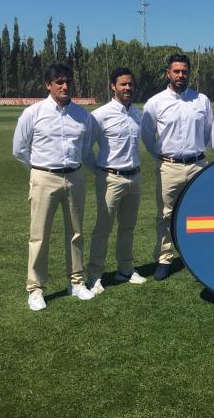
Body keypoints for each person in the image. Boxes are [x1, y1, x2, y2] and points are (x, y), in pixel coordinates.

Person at [12, 63, 96, 310]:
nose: (65, 85)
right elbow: (19, 149)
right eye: (59, 81)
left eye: (68, 80)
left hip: (75, 177)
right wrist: (39, 171)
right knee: (39, 235)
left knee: (76, 232)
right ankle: (35, 289)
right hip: (44, 177)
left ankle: (77, 282)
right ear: (48, 85)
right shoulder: (33, 113)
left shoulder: (83, 116)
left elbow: (86, 147)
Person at [141, 54, 213, 281]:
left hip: (198, 164)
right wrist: (164, 158)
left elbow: (207, 132)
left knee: (200, 212)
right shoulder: (155, 102)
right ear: (168, 74)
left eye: (184, 71)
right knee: (165, 214)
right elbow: (147, 137)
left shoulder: (202, 100)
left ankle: (198, 254)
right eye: (176, 71)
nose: (181, 75)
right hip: (169, 166)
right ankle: (164, 257)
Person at [86, 67, 146, 295]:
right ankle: (95, 275)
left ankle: (125, 268)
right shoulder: (100, 115)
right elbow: (85, 149)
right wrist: (101, 172)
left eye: (130, 84)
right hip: (110, 178)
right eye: (123, 84)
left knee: (128, 228)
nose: (128, 88)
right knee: (103, 228)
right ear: (113, 86)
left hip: (134, 177)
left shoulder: (137, 113)